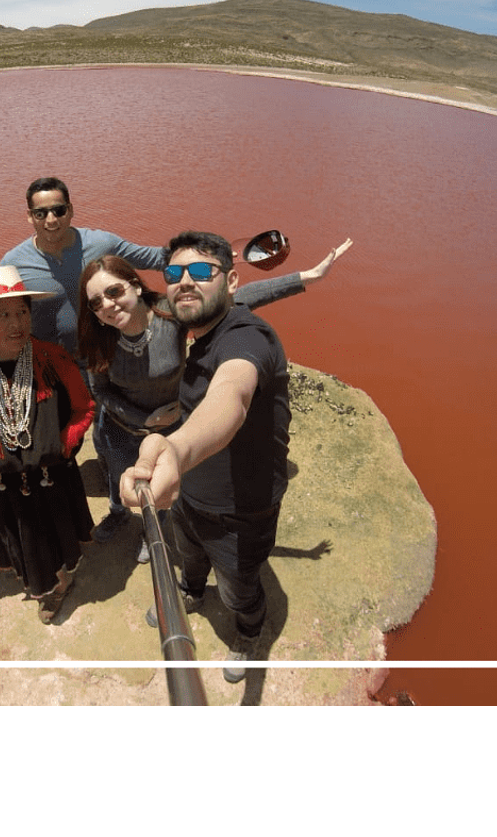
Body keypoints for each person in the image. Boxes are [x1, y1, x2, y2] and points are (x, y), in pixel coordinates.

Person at [119, 231, 311, 683]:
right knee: (189, 555)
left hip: (241, 507)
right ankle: (189, 591)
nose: (186, 281)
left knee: (239, 586)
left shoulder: (248, 337)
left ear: (231, 282)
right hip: (190, 491)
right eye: (175, 273)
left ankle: (248, 634)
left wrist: (176, 448)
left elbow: (232, 395)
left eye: (202, 271)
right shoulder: (197, 329)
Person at [78, 239, 352, 556]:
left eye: (114, 292)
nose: (108, 305)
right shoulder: (96, 339)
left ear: (136, 287)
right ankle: (117, 514)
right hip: (120, 431)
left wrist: (305, 278)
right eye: (96, 303)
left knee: (162, 483)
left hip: (172, 429)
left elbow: (234, 299)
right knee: (118, 477)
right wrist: (143, 420)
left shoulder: (170, 316)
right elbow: (99, 391)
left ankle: (151, 528)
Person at [0, 267, 96, 623]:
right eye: (3, 314)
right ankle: (42, 584)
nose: (16, 323)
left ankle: (60, 583)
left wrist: (65, 443)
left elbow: (83, 407)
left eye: (22, 312)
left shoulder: (52, 358)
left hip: (51, 479)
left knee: (58, 535)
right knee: (23, 543)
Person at [0, 178, 164, 359]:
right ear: (30, 216)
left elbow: (155, 258)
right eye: (41, 214)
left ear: (70, 211)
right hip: (49, 365)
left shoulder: (102, 245)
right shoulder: (13, 263)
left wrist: (196, 254)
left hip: (105, 357)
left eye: (59, 210)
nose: (51, 220)